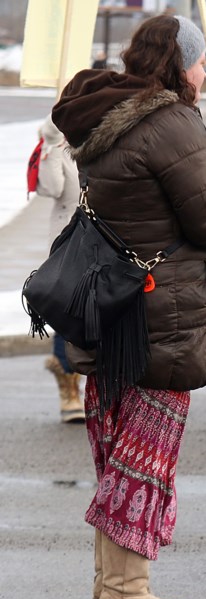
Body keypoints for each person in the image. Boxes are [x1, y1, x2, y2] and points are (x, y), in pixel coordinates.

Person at [51, 14, 206, 599]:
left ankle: (112, 587)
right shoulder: (172, 120)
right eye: (200, 59)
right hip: (164, 312)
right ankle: (128, 593)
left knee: (118, 446)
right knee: (145, 451)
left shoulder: (109, 113)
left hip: (114, 306)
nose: (205, 70)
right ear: (180, 63)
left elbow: (156, 208)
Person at [35, 114, 84, 424]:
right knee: (68, 317)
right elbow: (52, 188)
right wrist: (52, 140)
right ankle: (70, 389)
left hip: (106, 244)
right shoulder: (59, 148)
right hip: (67, 246)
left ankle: (97, 390)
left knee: (101, 316)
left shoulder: (103, 144)